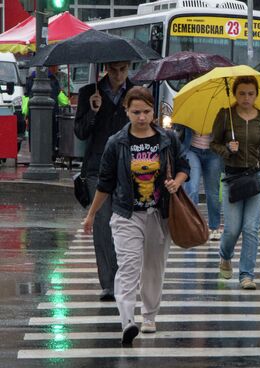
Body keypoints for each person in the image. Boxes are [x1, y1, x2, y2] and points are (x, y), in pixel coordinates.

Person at [82, 86, 190, 345]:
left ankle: (149, 315)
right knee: (128, 268)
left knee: (154, 268)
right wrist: (91, 215)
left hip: (159, 213)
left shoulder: (167, 138)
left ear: (153, 110)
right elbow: (105, 183)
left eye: (146, 111)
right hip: (126, 214)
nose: (142, 117)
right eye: (136, 112)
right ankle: (127, 320)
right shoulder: (116, 142)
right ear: (126, 111)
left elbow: (184, 165)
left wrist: (177, 181)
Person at [74, 61, 134, 302]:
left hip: (128, 166)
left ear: (129, 68)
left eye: (123, 70)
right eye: (114, 70)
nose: (118, 75)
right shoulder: (90, 92)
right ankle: (109, 283)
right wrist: (93, 112)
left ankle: (125, 278)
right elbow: (80, 132)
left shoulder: (136, 92)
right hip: (98, 167)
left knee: (127, 225)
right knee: (102, 225)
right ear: (106, 69)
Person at [211, 76, 260, 290]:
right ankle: (225, 255)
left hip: (257, 177)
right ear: (235, 94)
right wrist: (227, 149)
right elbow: (214, 143)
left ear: (256, 95)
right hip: (231, 178)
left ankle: (247, 275)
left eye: (250, 93)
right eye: (241, 93)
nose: (246, 98)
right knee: (232, 229)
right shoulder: (225, 115)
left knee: (251, 228)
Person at [177, 124, 224, 241]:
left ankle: (214, 227)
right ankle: (192, 227)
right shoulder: (191, 109)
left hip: (213, 152)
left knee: (213, 192)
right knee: (192, 188)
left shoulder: (221, 111)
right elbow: (178, 127)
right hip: (191, 150)